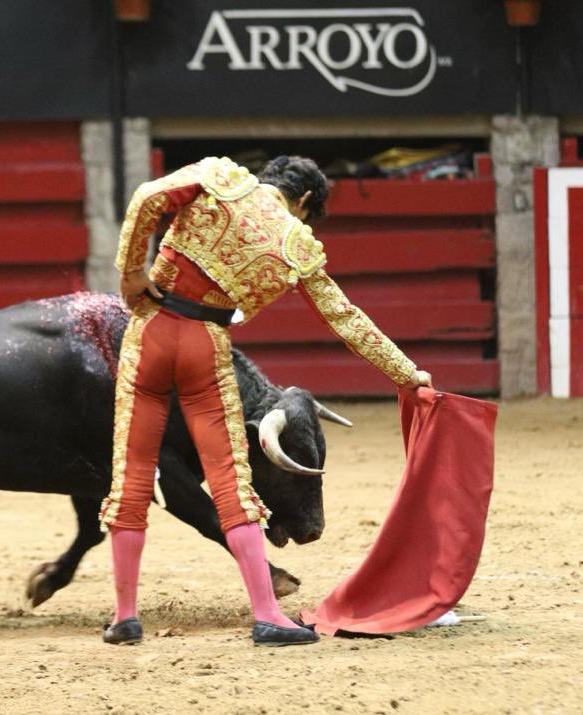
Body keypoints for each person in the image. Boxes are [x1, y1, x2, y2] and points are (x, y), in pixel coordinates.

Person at [99, 155, 432, 647]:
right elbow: (347, 319)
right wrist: (408, 374)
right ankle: (267, 614)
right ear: (304, 202)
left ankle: (125, 617)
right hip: (204, 346)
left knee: (131, 474)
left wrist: (130, 271)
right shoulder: (296, 242)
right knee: (229, 477)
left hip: (147, 332)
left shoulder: (220, 176)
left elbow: (148, 197)